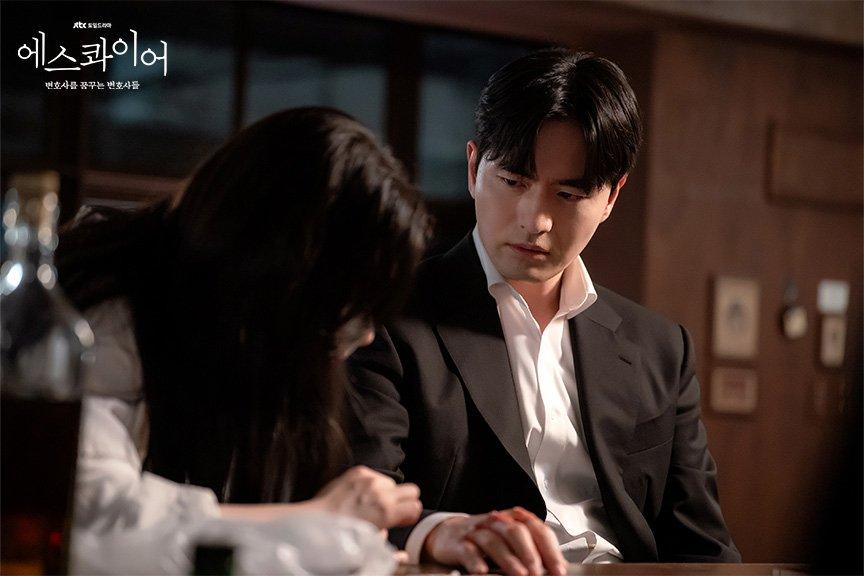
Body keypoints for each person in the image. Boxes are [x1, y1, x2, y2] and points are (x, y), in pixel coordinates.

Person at [347, 48, 741, 575]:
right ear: (473, 168)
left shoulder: (660, 348)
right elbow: (356, 503)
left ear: (612, 197)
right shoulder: (390, 315)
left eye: (569, 194)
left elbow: (703, 546)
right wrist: (438, 533)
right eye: (514, 182)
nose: (536, 220)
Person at [56, 108, 429, 536]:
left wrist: (420, 534)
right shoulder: (110, 313)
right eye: (352, 302)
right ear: (280, 268)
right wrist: (320, 517)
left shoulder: (243, 339)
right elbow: (89, 511)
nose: (365, 335)